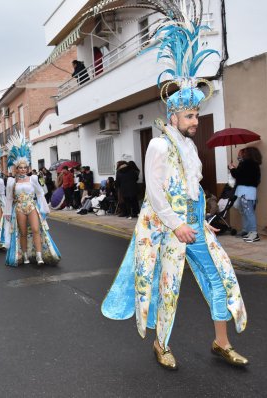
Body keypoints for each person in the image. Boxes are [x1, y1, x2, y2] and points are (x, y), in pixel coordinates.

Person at [101, 3, 248, 371]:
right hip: (171, 228)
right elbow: (155, 192)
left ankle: (221, 342)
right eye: (190, 115)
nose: (196, 120)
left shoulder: (188, 144)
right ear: (174, 116)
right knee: (168, 288)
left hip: (195, 224)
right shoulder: (159, 145)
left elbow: (193, 186)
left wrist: (202, 220)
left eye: (197, 115)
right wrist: (176, 223)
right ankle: (161, 344)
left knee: (220, 278)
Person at [4, 133, 61, 266]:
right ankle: (25, 256)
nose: (23, 170)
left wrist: (45, 208)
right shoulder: (12, 182)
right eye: (20, 168)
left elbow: (40, 193)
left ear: (27, 168)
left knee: (36, 229)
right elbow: (9, 198)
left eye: (25, 168)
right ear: (16, 169)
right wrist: (7, 212)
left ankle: (39, 256)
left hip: (31, 206)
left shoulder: (33, 179)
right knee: (22, 232)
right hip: (19, 208)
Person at [229, 147, 262, 242]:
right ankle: (247, 230)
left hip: (246, 191)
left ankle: (254, 233)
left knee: (248, 212)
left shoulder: (247, 163)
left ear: (247, 154)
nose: (240, 155)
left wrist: (232, 169)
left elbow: (238, 175)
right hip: (246, 191)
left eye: (242, 153)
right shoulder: (251, 164)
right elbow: (244, 175)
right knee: (240, 207)